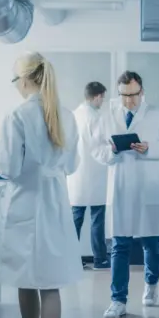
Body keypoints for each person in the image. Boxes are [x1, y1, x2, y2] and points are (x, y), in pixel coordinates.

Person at [0, 52, 82, 318]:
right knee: (49, 282)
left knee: (26, 277)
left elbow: (8, 168)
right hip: (56, 203)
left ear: (26, 79)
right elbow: (72, 166)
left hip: (28, 203)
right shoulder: (67, 115)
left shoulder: (18, 115)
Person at [92, 71, 159, 318]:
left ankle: (151, 285)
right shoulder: (107, 114)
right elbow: (95, 148)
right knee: (119, 244)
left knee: (151, 242)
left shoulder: (158, 114)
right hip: (121, 186)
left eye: (133, 95)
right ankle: (117, 300)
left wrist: (150, 148)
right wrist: (110, 151)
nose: (129, 101)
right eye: (124, 96)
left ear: (141, 91)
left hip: (149, 186)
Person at [68, 81, 110, 270]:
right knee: (97, 219)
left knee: (75, 221)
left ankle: (69, 260)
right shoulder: (96, 117)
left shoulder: (73, 115)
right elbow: (101, 145)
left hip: (76, 177)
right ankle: (100, 260)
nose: (102, 102)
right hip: (94, 175)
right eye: (102, 98)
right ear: (97, 96)